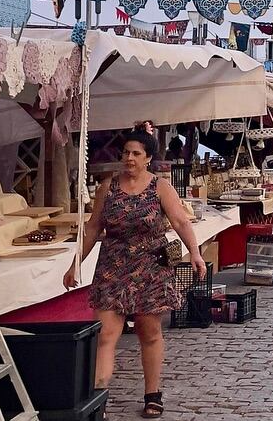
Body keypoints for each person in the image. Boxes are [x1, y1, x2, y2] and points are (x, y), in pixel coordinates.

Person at [66, 128, 204, 418]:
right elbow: (93, 228)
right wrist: (76, 263)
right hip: (113, 267)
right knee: (105, 335)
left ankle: (152, 394)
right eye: (126, 152)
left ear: (148, 158)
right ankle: (98, 398)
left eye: (136, 153)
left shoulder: (160, 187)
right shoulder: (108, 187)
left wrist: (195, 252)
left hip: (150, 267)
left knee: (149, 332)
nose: (129, 157)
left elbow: (180, 221)